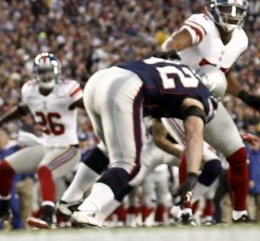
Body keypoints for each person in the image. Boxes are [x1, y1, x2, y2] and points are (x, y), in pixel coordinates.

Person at [160, 0, 260, 223]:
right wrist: (171, 51)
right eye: (226, 9)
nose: (231, 15)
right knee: (194, 150)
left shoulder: (240, 39)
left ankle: (240, 214)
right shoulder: (203, 24)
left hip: (208, 99)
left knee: (238, 154)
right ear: (213, 10)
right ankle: (184, 210)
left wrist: (245, 96)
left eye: (236, 10)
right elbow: (180, 39)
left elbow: (224, 75)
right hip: (179, 97)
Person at [67, 57, 215, 227]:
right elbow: (193, 135)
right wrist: (191, 176)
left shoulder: (173, 69)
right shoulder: (200, 96)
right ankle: (87, 210)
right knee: (127, 164)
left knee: (107, 148)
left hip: (102, 79)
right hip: (128, 88)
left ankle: (68, 201)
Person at [0, 53, 84, 229]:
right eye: (42, 72)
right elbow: (22, 109)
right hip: (46, 146)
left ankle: (48, 217)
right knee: (5, 167)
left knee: (44, 170)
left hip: (68, 148)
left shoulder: (68, 89)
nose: (46, 76)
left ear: (57, 72)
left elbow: (87, 104)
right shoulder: (30, 90)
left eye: (49, 72)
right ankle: (4, 210)